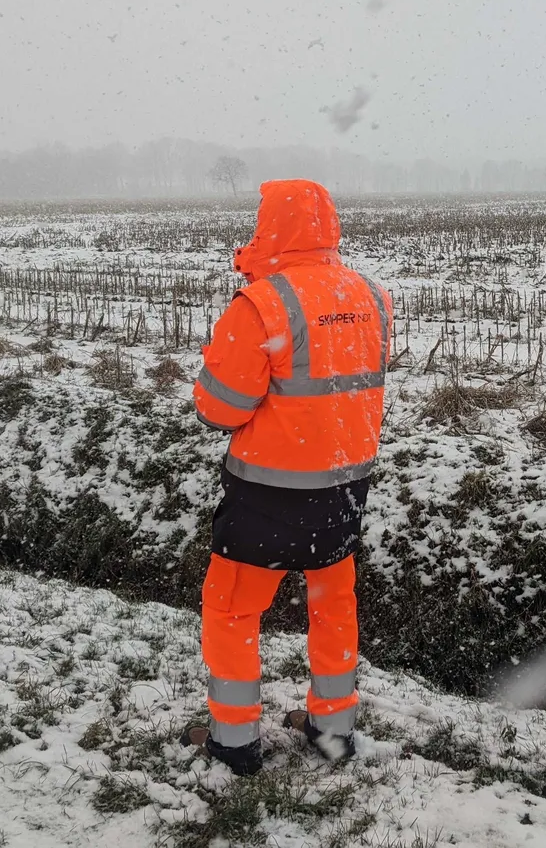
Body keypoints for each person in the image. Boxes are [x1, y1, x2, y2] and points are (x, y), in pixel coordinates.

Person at [184, 178, 391, 774]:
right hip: (346, 487)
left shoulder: (262, 304)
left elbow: (219, 408)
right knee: (333, 605)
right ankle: (332, 732)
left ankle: (235, 741)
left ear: (271, 225)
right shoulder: (372, 295)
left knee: (230, 609)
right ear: (328, 224)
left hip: (268, 493)